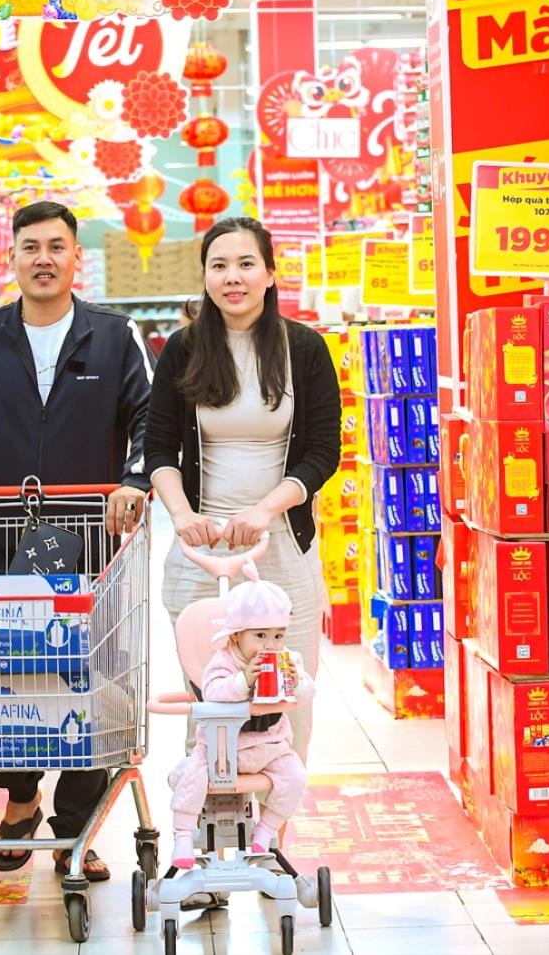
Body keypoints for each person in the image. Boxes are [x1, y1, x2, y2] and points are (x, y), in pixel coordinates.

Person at [0, 200, 153, 883]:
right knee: (13, 674)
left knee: (97, 675)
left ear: (78, 257)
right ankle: (22, 799)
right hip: (0, 540)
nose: (43, 258)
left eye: (56, 245)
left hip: (93, 538)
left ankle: (77, 827)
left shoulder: (114, 336)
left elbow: (148, 415)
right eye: (30, 247)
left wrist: (135, 479)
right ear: (12, 258)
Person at [145, 216, 342, 761]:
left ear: (271, 274)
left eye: (246, 263)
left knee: (286, 702)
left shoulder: (303, 349)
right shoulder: (183, 350)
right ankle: (205, 830)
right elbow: (158, 448)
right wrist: (183, 516)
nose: (233, 277)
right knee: (209, 699)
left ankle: (271, 836)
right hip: (200, 552)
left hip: (280, 543)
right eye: (219, 265)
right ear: (205, 277)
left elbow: (324, 451)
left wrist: (265, 510)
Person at [166, 549, 313, 868]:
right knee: (193, 779)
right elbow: (213, 692)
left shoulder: (285, 657)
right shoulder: (224, 659)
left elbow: (306, 692)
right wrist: (244, 680)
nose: (270, 644)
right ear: (236, 635)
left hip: (269, 747)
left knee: (295, 776)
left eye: (278, 635)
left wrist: (295, 682)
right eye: (260, 635)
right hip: (220, 749)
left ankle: (265, 831)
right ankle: (182, 838)